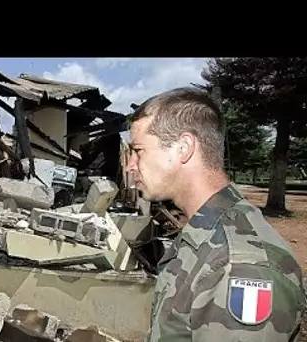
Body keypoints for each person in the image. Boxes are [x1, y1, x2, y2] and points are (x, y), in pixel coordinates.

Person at [126, 87, 306, 341]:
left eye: (138, 150)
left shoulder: (240, 267)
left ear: (183, 148)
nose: (130, 165)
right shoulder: (205, 234)